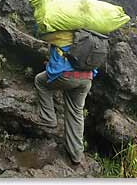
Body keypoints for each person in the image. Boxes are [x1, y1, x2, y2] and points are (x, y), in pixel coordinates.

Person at [31, 33, 96, 166]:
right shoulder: (90, 34)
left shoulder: (63, 31)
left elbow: (42, 35)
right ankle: (76, 155)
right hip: (87, 78)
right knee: (76, 112)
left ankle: (48, 118)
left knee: (40, 81)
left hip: (66, 75)